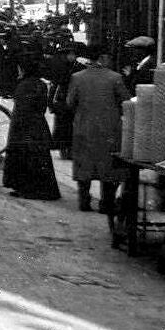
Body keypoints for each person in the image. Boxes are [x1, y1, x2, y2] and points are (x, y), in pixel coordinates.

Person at [67, 45, 130, 213]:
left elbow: (69, 103)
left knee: (84, 166)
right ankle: (106, 203)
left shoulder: (77, 77)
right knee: (108, 167)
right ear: (102, 58)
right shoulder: (115, 78)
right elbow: (126, 101)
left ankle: (84, 201)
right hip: (109, 130)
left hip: (84, 128)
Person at [2, 51, 61, 200]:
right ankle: (37, 188)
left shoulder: (24, 85)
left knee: (24, 156)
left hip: (24, 125)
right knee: (38, 158)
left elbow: (22, 108)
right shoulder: (40, 84)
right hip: (37, 124)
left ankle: (26, 188)